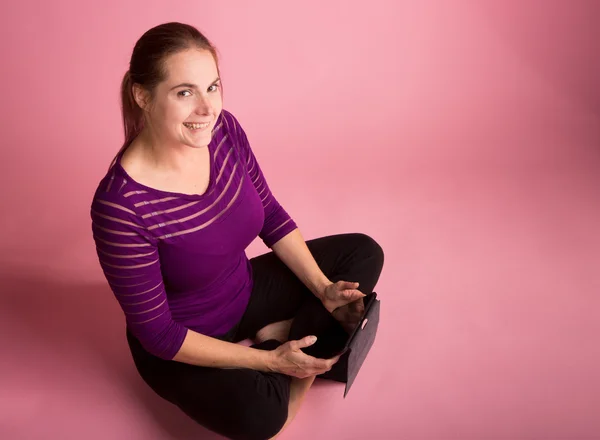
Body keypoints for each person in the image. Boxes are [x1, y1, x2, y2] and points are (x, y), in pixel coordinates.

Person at [90, 22, 384, 440]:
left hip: (244, 293)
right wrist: (270, 363)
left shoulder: (224, 130)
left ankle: (283, 336)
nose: (207, 108)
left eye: (213, 87)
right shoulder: (120, 206)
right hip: (185, 343)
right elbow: (159, 335)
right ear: (143, 96)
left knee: (363, 253)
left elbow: (268, 212)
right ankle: (290, 361)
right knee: (260, 416)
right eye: (184, 92)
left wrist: (323, 290)